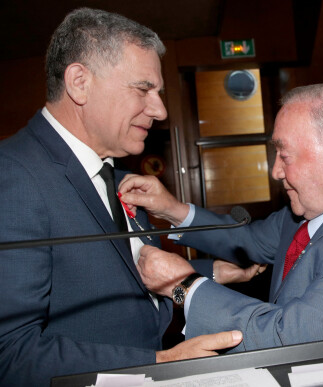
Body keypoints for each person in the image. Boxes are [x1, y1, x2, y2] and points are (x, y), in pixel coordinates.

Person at [0, 8, 241, 387]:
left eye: (158, 93)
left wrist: (209, 273)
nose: (159, 110)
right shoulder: (12, 177)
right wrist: (157, 363)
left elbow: (121, 272)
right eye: (144, 89)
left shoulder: (116, 174)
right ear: (79, 82)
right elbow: (11, 353)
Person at [120, 82, 323, 353]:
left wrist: (184, 286)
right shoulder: (313, 206)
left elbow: (290, 340)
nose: (276, 171)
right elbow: (248, 240)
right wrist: (172, 208)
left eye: (284, 155)